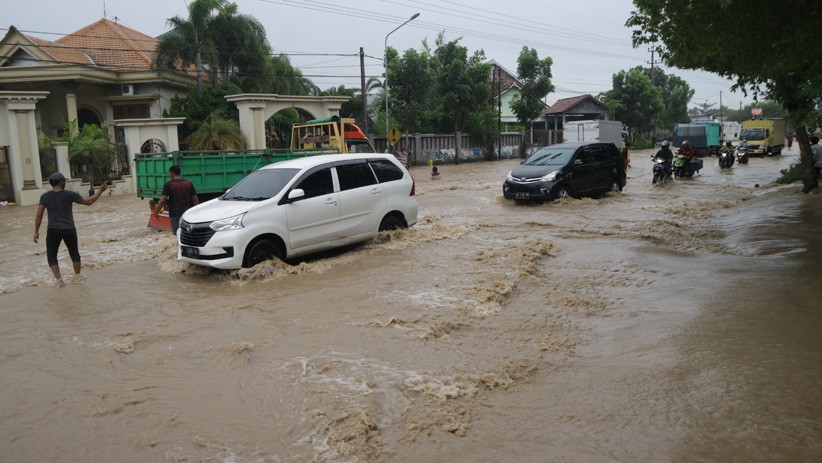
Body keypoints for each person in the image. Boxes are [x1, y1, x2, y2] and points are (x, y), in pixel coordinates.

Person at [33, 172, 108, 286]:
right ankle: (77, 277)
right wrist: (101, 190)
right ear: (61, 182)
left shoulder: (45, 197)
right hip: (69, 229)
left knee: (52, 256)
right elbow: (89, 201)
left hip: (53, 230)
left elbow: (39, 214)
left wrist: (36, 231)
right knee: (74, 254)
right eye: (65, 181)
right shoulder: (69, 194)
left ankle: (59, 280)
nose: (65, 183)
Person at [153, 165, 199, 235]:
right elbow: (195, 199)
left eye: (169, 173)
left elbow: (162, 200)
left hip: (175, 214)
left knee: (178, 234)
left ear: (172, 173)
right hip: (187, 214)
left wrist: (156, 212)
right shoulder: (188, 183)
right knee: (188, 234)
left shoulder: (168, 184)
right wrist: (196, 212)